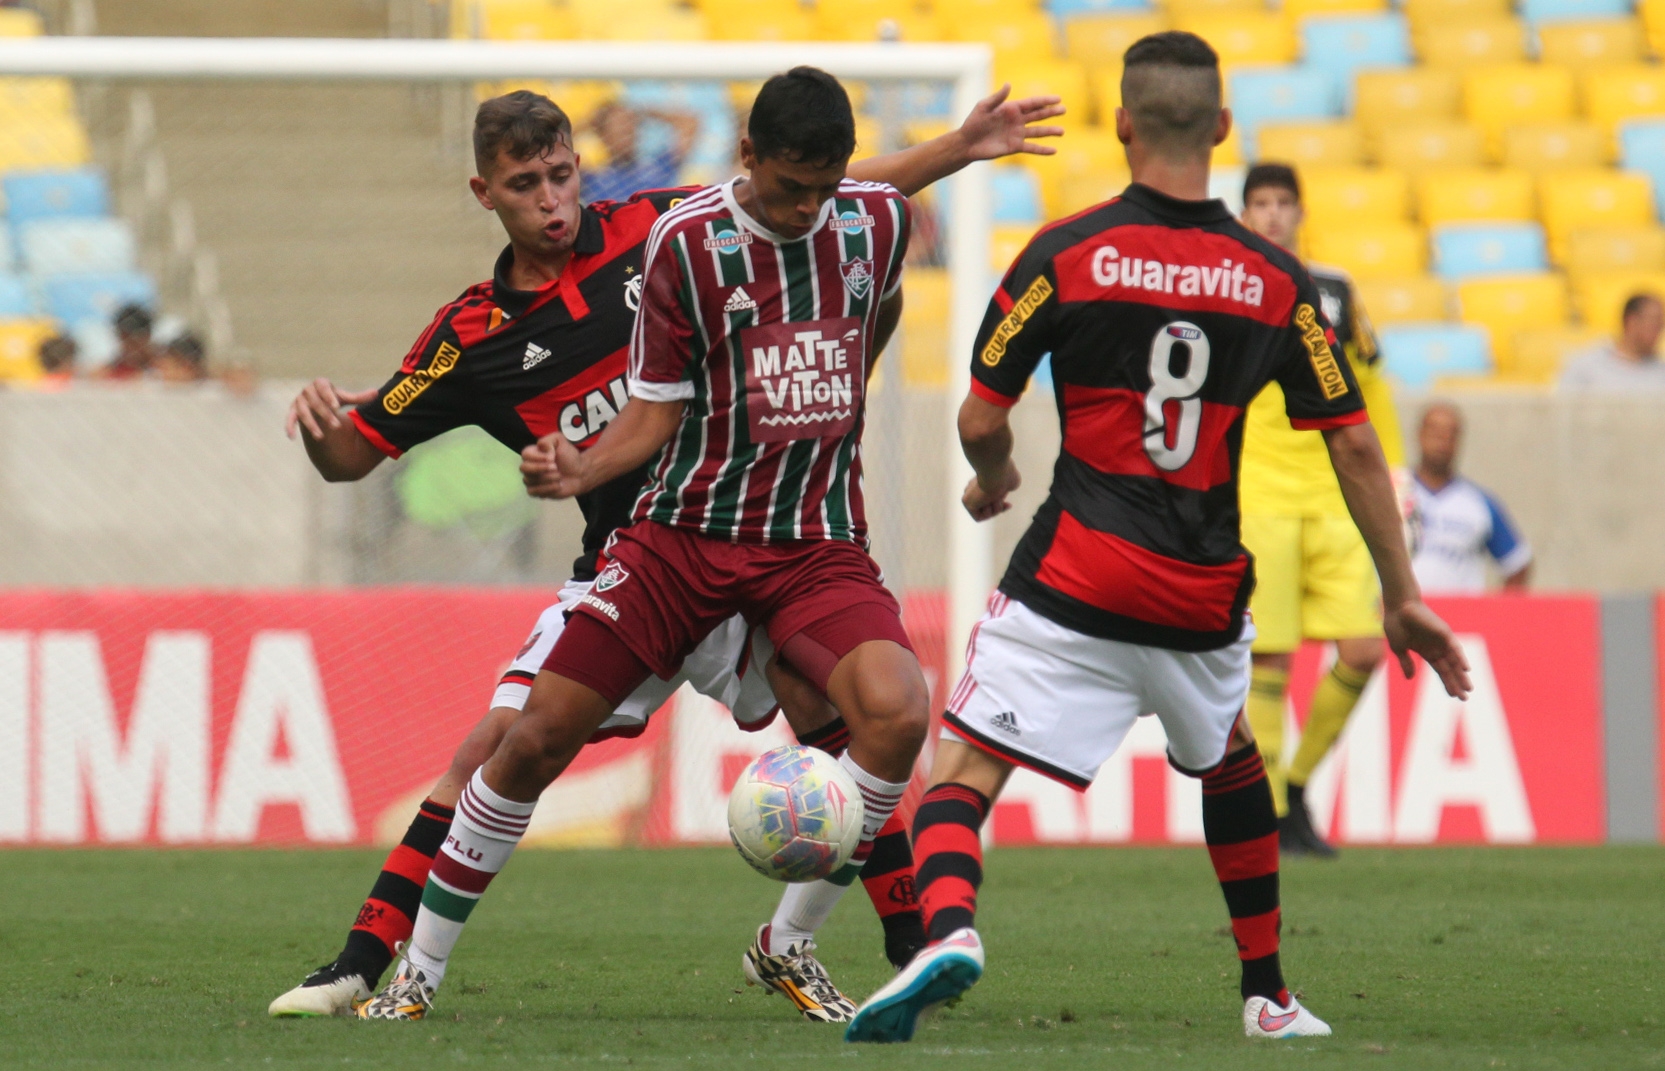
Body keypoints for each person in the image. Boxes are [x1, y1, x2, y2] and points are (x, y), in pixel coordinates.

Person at [273, 83, 1067, 1021]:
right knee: (499, 746)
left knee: (846, 717)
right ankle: (367, 958)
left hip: (769, 540)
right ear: (485, 193)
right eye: (525, 183)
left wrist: (955, 148)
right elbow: (355, 451)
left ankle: (892, 945)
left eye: (561, 173)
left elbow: (821, 195)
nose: (552, 199)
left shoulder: (655, 226)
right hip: (642, 554)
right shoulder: (468, 341)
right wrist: (327, 428)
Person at [843, 32, 1471, 1044]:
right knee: (1228, 760)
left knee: (963, 771)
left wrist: (994, 476)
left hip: (1074, 577)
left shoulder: (1064, 254)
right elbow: (1354, 443)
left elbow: (977, 416)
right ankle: (1267, 995)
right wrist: (1399, 592)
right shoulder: (1277, 280)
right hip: (1199, 592)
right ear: (1221, 129)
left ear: (1124, 124)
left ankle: (946, 931)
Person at [1235, 162, 1405, 858]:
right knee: (1269, 656)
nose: (1272, 215)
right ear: (1244, 214)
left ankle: (1297, 786)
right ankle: (1273, 813)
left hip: (1336, 495)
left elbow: (1370, 383)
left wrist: (1391, 471)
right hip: (1260, 494)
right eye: (1259, 204)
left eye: (1282, 203)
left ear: (1300, 212)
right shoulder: (1229, 282)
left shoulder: (1332, 290)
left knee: (1364, 649)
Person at [1408, 401, 1531, 594]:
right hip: (1397, 619)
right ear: (1419, 434)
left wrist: (1502, 617)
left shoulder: (1478, 503)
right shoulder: (1393, 492)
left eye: (1450, 434)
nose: (1442, 441)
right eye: (1435, 432)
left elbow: (1517, 563)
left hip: (1458, 620)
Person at [581, 100, 699, 205]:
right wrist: (590, 123)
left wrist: (645, 112)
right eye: (619, 129)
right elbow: (563, 139)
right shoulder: (592, 179)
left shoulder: (658, 167)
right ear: (603, 136)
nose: (627, 131)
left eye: (630, 125)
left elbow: (689, 123)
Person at [1560, 293, 1665, 390]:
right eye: (1654, 321)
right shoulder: (1586, 366)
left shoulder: (1661, 372)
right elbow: (1562, 406)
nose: (1660, 329)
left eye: (1661, 323)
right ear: (1631, 321)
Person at [98, 303, 157, 379]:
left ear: (148, 336)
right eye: (124, 340)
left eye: (133, 342)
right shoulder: (110, 370)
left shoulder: (164, 369)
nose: (128, 348)